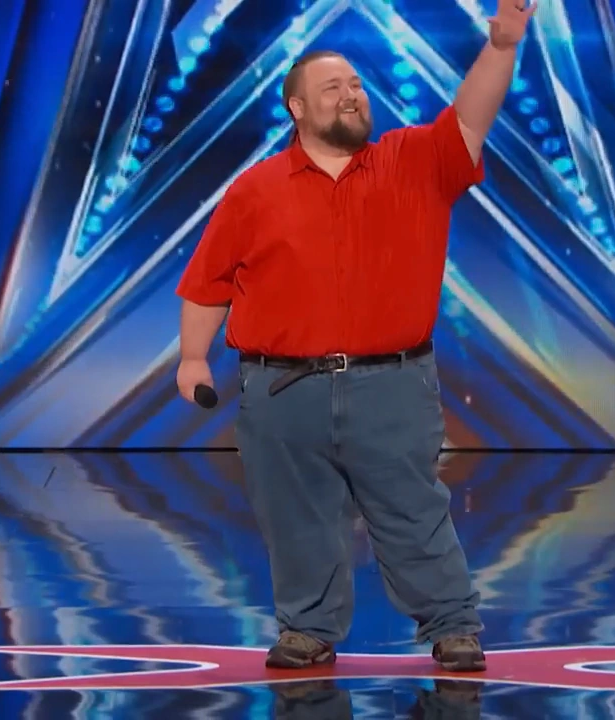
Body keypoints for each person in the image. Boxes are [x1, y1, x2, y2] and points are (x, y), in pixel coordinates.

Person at [175, 0, 535, 673]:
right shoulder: (254, 190)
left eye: (357, 84)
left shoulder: (414, 161)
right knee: (297, 517)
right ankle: (307, 630)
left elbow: (470, 116)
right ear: (297, 109)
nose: (351, 94)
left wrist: (502, 47)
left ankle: (452, 626)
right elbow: (209, 281)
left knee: (412, 510)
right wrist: (193, 357)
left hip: (391, 384)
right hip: (282, 390)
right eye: (332, 87)